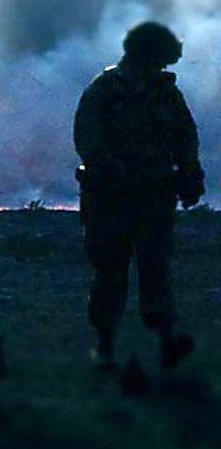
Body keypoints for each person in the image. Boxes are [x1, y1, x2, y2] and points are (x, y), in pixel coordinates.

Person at [74, 20, 203, 370]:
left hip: (153, 194)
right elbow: (88, 141)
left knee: (155, 266)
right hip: (110, 197)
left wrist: (190, 170)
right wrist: (114, 171)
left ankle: (165, 340)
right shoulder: (105, 89)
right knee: (110, 270)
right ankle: (105, 344)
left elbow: (185, 135)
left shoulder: (165, 92)